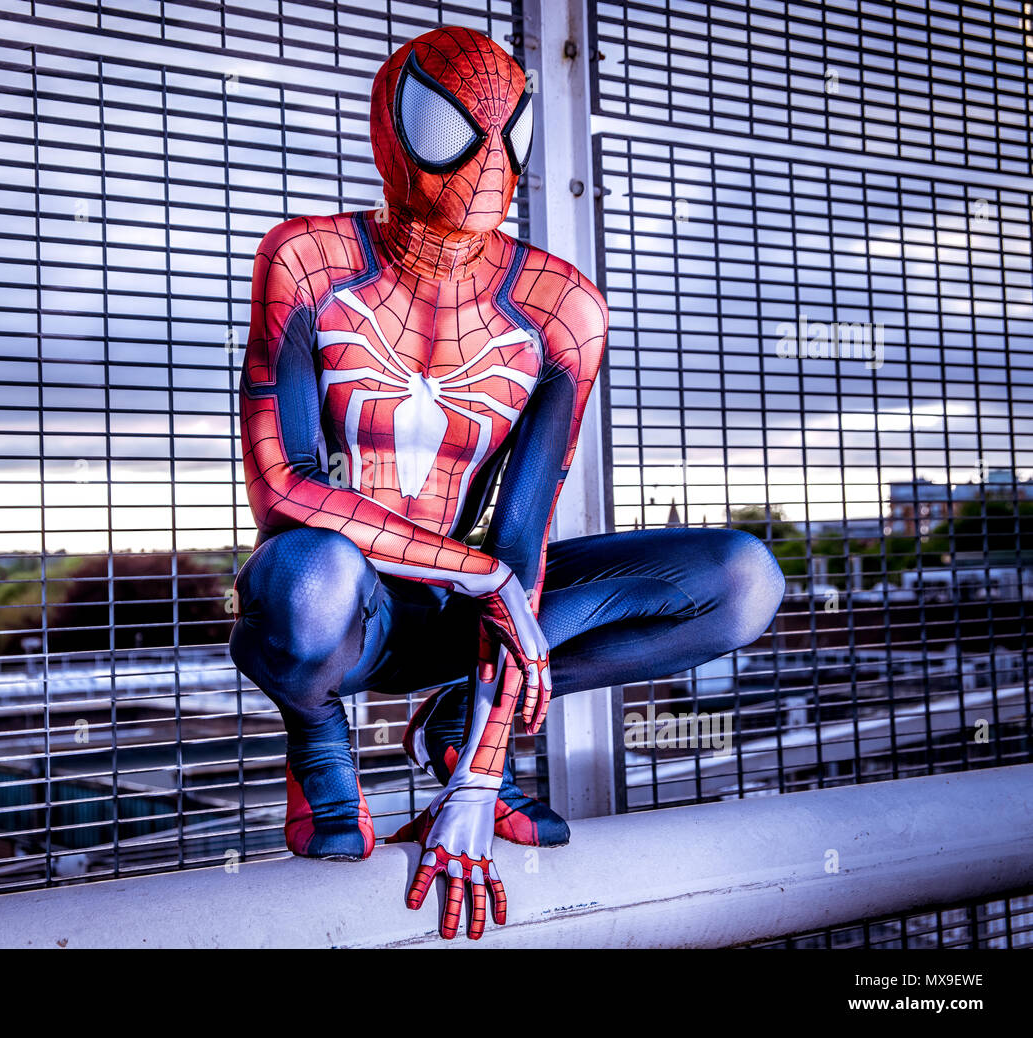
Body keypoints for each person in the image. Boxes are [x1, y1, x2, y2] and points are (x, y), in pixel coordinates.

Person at [229, 25, 784, 940]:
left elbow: (520, 541)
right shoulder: (308, 261)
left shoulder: (561, 305)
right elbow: (284, 488)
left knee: (742, 580)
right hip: (345, 609)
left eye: (506, 132)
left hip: (473, 614)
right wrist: (477, 570)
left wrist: (480, 774)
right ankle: (315, 731)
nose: (487, 162)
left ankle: (455, 718)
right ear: (391, 127)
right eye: (449, 127)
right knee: (310, 570)